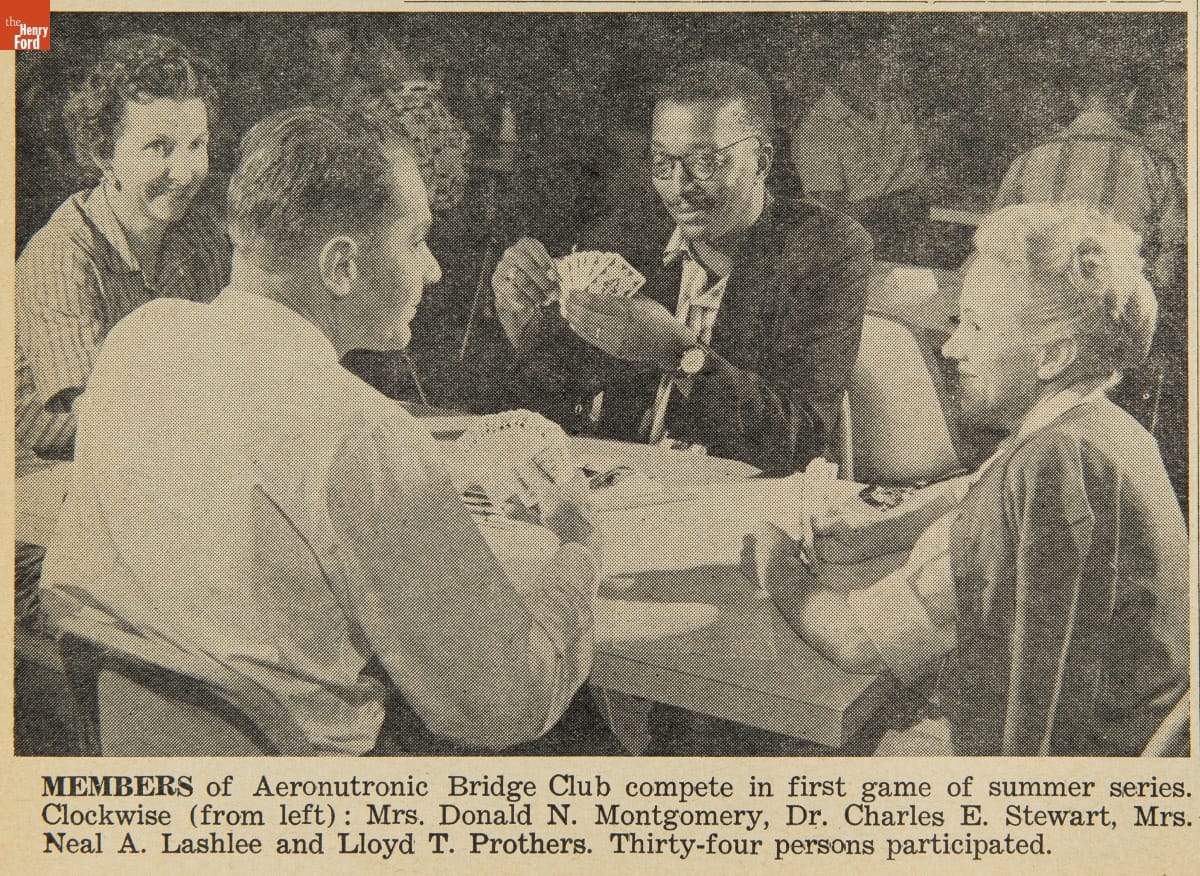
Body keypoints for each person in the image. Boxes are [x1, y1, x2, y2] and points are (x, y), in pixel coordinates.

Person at [40, 107, 602, 755]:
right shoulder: (361, 433)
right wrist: (576, 546)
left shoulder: (138, 341)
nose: (435, 271)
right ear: (341, 267)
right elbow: (507, 703)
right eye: (416, 241)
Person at [767, 203, 1189, 756]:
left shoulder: (1045, 468)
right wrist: (886, 533)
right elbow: (978, 493)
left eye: (976, 326)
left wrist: (774, 561)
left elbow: (852, 636)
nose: (950, 347)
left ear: (1054, 355)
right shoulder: (1102, 430)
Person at [493, 59, 873, 476]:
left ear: (762, 162)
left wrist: (679, 353)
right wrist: (522, 327)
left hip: (742, 510)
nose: (678, 189)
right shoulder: (626, 237)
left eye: (705, 164)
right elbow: (547, 412)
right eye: (661, 165)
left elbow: (801, 440)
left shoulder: (826, 248)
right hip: (623, 501)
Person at [15, 33, 227, 630]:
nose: (185, 171)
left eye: (197, 145)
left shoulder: (201, 241)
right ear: (103, 153)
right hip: (44, 525)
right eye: (159, 148)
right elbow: (101, 420)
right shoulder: (62, 255)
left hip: (153, 492)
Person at [790, 50, 933, 262]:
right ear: (839, 69)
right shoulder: (817, 128)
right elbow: (832, 219)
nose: (878, 72)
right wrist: (893, 204)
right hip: (852, 253)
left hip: (907, 242)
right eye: (863, 61)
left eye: (878, 64)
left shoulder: (894, 112)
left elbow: (919, 183)